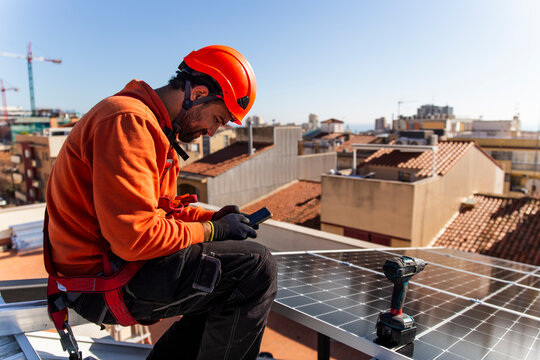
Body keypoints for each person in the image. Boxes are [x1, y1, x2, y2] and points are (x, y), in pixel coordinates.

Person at [44, 45, 277, 360]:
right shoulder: (129, 122)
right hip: (101, 282)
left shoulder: (153, 128)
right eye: (218, 119)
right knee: (255, 267)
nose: (212, 131)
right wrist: (213, 231)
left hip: (107, 270)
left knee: (227, 272)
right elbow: (135, 237)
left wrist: (217, 219)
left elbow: (162, 212)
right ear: (197, 93)